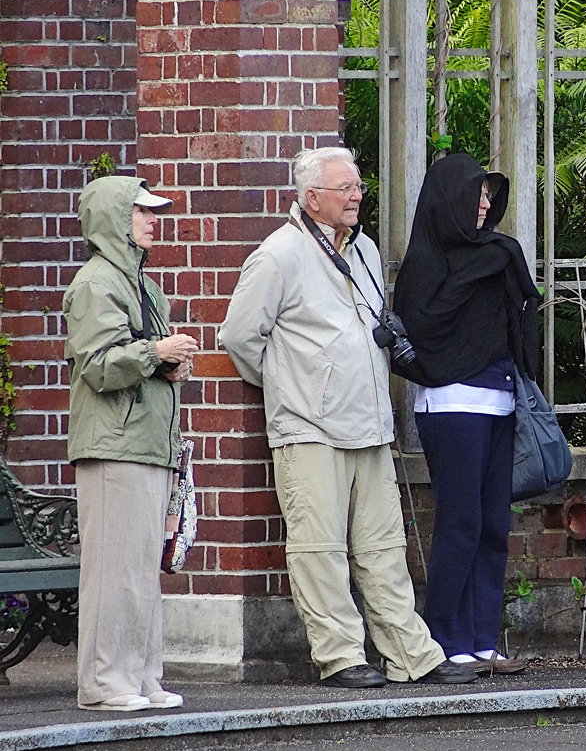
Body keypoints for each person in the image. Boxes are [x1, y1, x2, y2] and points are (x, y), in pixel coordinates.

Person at [219, 147, 475, 688]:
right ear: (313, 198)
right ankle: (340, 657)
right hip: (309, 428)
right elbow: (239, 337)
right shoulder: (279, 255)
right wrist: (295, 386)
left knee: (384, 546)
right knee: (320, 548)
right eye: (346, 188)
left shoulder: (364, 252)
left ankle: (411, 655)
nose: (357, 195)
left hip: (369, 423)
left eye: (358, 186)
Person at [390, 153, 539, 676]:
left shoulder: (501, 253)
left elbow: (522, 325)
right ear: (447, 200)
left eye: (488, 195)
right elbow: (422, 334)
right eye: (474, 194)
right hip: (451, 405)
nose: (483, 204)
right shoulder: (427, 264)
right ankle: (442, 639)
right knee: (461, 522)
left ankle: (479, 639)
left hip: (499, 400)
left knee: (494, 522)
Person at [64, 176, 199, 711]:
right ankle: (103, 683)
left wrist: (168, 364)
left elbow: (134, 357)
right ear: (116, 219)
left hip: (144, 443)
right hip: (114, 445)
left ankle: (141, 678)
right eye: (142, 212)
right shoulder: (97, 282)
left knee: (142, 568)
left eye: (153, 212)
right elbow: (96, 365)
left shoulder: (141, 283)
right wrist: (155, 352)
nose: (152, 220)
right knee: (114, 569)